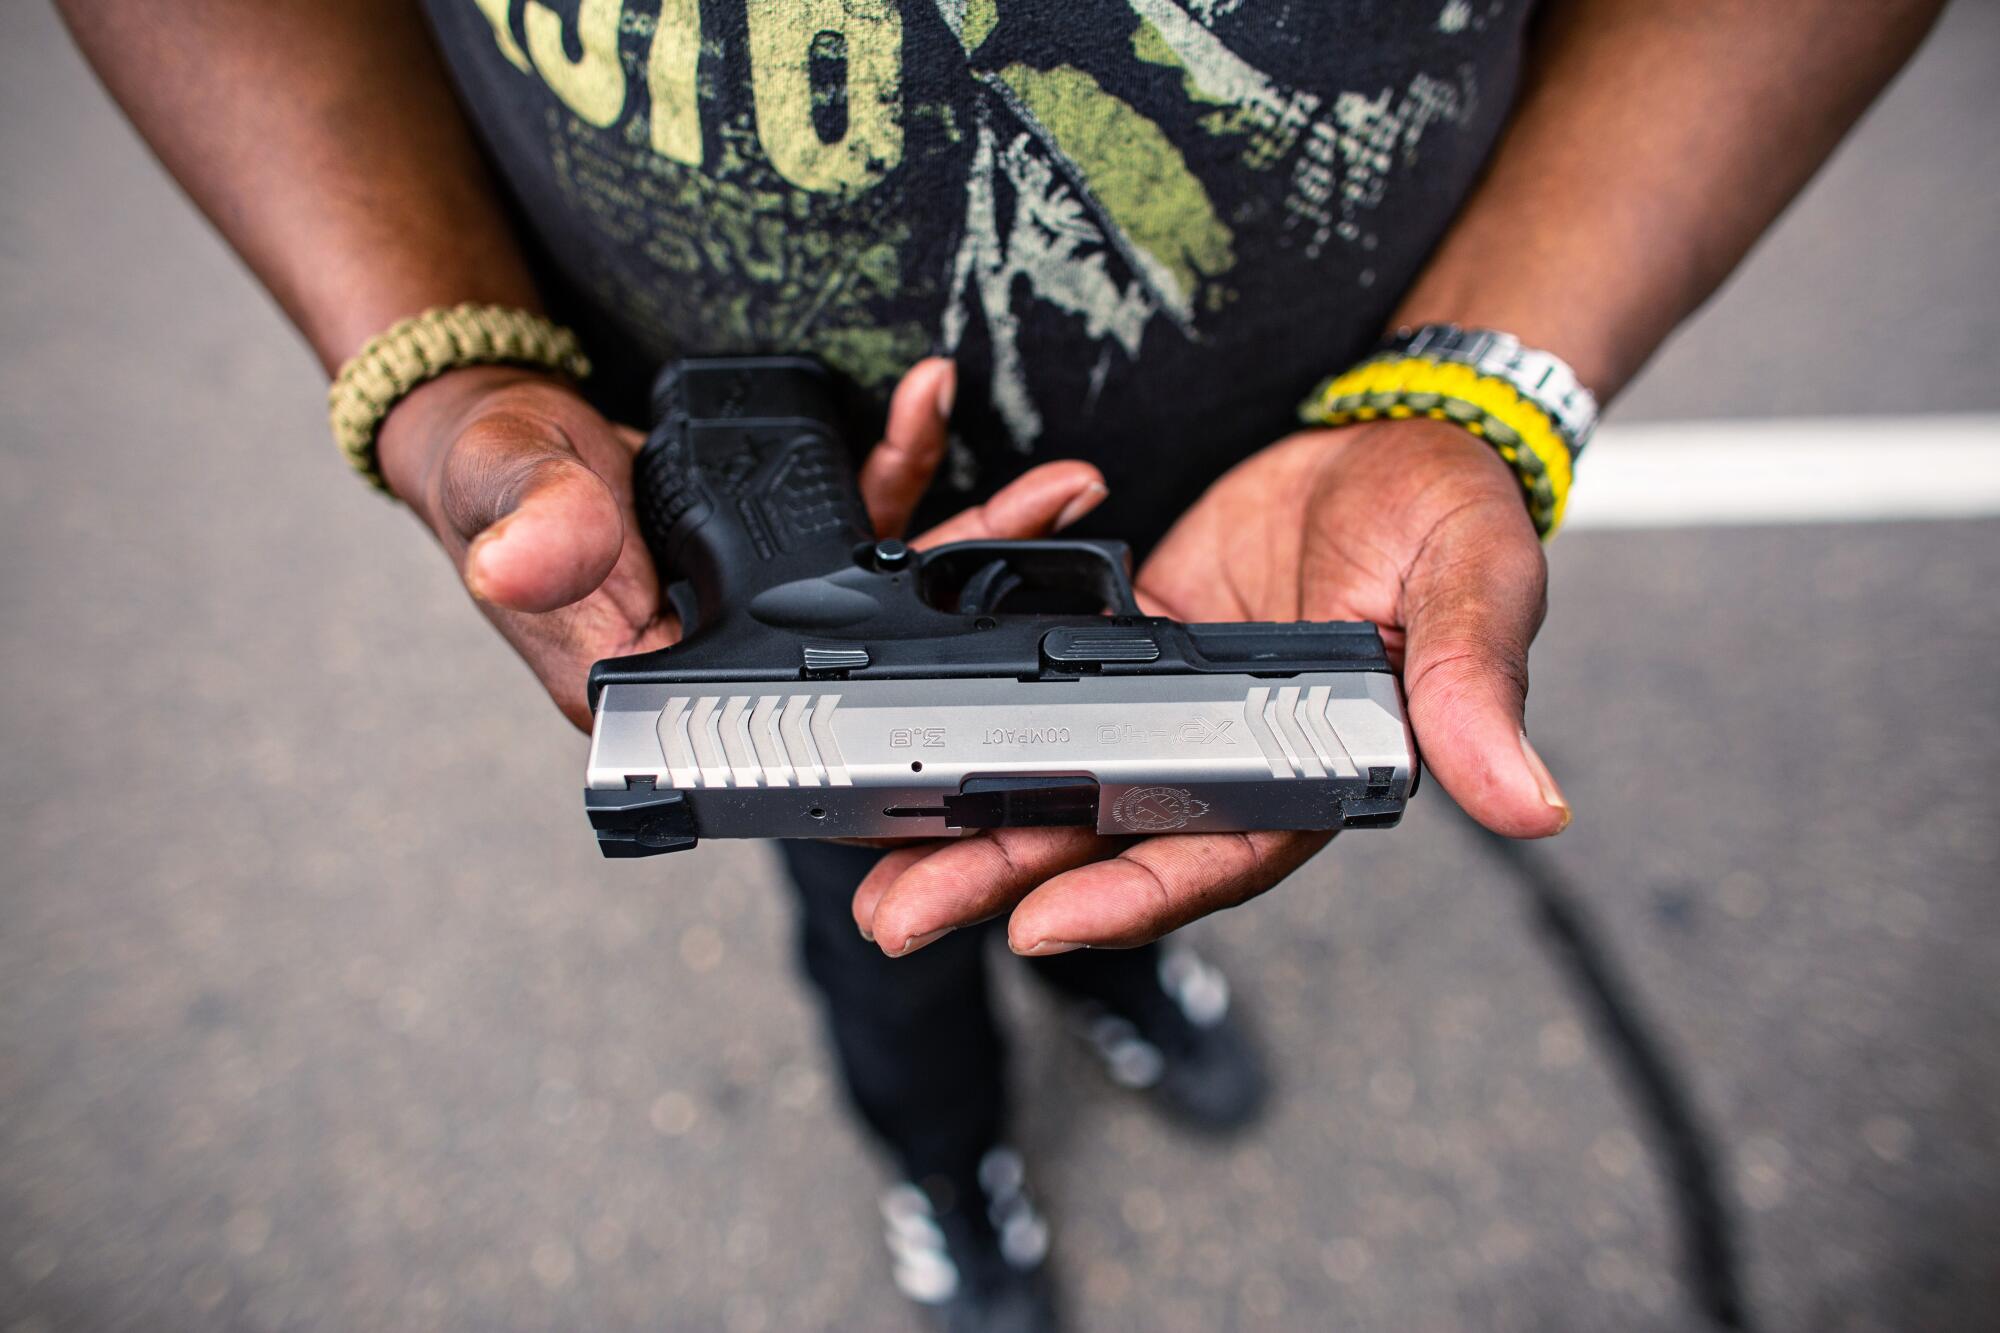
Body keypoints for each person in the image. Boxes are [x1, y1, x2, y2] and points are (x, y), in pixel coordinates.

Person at [61, 2, 1940, 1327]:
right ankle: (950, 1166)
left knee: (1095, 848)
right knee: (889, 917)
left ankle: (1115, 985)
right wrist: (442, 366)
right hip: (764, 547)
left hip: (1240, 490)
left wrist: (1486, 379)